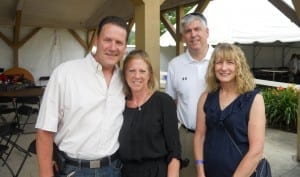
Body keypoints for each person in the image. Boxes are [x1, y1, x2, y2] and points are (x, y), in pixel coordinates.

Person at [35, 16, 129, 177]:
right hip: (74, 170)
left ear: (125, 46)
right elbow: (44, 131)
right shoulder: (65, 74)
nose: (113, 47)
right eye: (108, 40)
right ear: (96, 40)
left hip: (113, 169)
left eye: (119, 42)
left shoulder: (124, 80)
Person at [194, 43, 266, 177]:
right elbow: (199, 136)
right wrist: (200, 170)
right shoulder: (206, 97)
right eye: (219, 62)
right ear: (213, 67)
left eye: (230, 62)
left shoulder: (254, 99)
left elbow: (256, 150)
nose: (223, 68)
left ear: (239, 66)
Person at [118, 49, 181, 177]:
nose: (137, 76)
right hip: (124, 173)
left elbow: (174, 151)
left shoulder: (163, 102)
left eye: (142, 71)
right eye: (131, 71)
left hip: (157, 172)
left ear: (150, 75)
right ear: (124, 74)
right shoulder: (119, 105)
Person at [165, 12, 214, 177]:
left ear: (207, 32)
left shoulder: (222, 61)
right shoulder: (175, 65)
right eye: (188, 31)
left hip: (219, 136)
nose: (193, 34)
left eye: (197, 29)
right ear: (183, 37)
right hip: (187, 136)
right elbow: (170, 103)